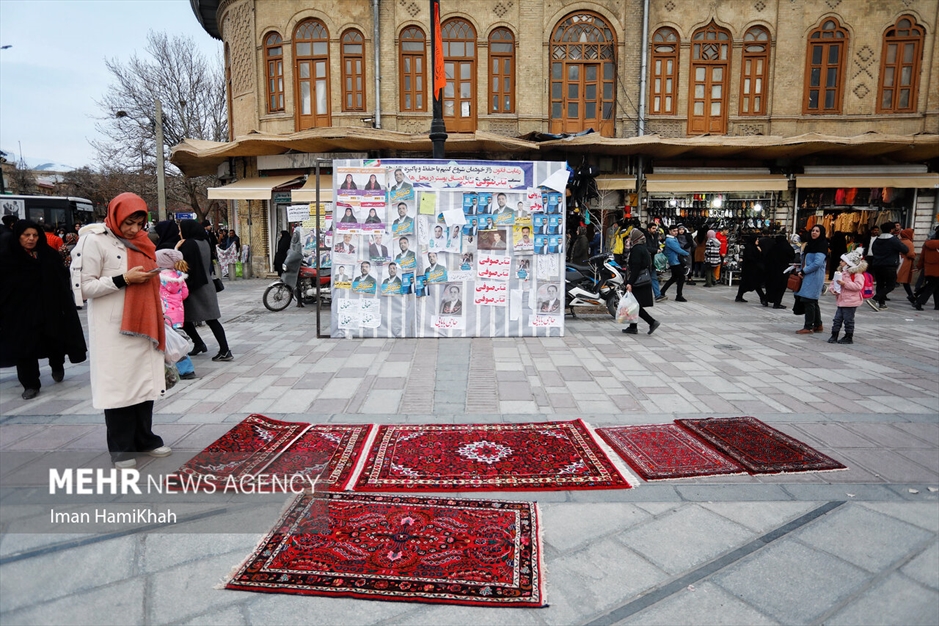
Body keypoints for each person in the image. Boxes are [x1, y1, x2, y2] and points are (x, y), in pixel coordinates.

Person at [72, 193, 169, 467]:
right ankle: (121, 448)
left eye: (140, 222)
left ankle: (145, 439)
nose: (134, 229)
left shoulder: (142, 241)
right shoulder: (93, 240)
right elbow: (84, 288)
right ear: (115, 215)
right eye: (129, 222)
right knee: (118, 388)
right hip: (113, 329)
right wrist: (124, 279)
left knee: (143, 384)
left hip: (144, 322)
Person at [0, 219, 87, 399]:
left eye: (35, 235)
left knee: (52, 339)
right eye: (26, 235)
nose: (31, 239)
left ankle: (57, 365)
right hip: (20, 312)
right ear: (18, 236)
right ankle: (30, 383)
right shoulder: (7, 257)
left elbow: (61, 280)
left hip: (49, 308)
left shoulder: (48, 255)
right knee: (24, 348)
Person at [178, 219, 232, 361]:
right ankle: (202, 344)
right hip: (206, 283)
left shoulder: (189, 244)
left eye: (181, 229)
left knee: (186, 319)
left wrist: (177, 248)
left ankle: (223, 350)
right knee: (207, 319)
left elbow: (181, 263)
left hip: (195, 286)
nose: (180, 232)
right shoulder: (205, 241)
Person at [156, 249, 196, 380]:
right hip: (178, 315)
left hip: (165, 314)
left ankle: (185, 370)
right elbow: (184, 294)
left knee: (170, 344)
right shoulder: (179, 276)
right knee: (177, 341)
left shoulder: (159, 277)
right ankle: (184, 369)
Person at [622, 229, 660, 335]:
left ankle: (652, 322)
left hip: (638, 281)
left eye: (631, 236)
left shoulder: (637, 249)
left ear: (635, 238)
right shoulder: (642, 248)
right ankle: (633, 326)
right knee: (633, 304)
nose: (629, 238)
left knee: (635, 305)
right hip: (642, 280)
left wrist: (630, 282)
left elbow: (636, 267)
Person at [827, 248, 867, 345]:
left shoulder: (857, 274)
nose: (840, 262)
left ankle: (848, 336)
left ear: (849, 263)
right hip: (841, 300)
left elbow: (858, 286)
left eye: (843, 261)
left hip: (851, 301)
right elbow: (833, 283)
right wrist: (833, 289)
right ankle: (834, 334)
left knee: (848, 320)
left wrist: (844, 284)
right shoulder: (840, 273)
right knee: (837, 319)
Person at [866, 221, 907, 311]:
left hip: (877, 264)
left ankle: (882, 303)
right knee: (891, 285)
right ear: (891, 230)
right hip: (889, 265)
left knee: (880, 284)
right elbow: (905, 249)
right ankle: (874, 299)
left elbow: (873, 250)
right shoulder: (893, 240)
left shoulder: (877, 239)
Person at [795, 224, 828, 334]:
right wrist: (800, 269)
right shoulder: (810, 245)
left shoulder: (821, 245)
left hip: (814, 276)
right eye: (813, 230)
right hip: (808, 275)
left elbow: (817, 263)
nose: (814, 233)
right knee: (813, 300)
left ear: (821, 233)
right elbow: (805, 260)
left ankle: (808, 326)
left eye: (817, 231)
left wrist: (804, 271)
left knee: (808, 300)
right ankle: (818, 325)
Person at [659, 224, 690, 302]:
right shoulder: (670, 240)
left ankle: (662, 292)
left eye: (676, 231)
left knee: (674, 278)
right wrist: (686, 253)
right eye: (674, 231)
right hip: (674, 261)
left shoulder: (673, 239)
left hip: (675, 260)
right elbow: (678, 249)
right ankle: (678, 295)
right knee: (681, 277)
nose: (676, 232)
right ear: (670, 231)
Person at [735, 234, 767, 305]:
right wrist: (759, 252)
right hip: (750, 270)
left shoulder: (752, 247)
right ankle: (763, 298)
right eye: (756, 239)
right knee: (756, 284)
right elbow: (753, 258)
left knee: (746, 284)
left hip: (750, 270)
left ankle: (739, 296)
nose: (758, 241)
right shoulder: (750, 248)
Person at [764, 232, 795, 308]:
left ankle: (766, 299)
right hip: (783, 270)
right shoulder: (787, 247)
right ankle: (777, 302)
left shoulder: (773, 247)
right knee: (781, 287)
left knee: (771, 286)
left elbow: (767, 257)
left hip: (771, 270)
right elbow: (792, 256)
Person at [912, 227, 939, 311]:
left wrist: (918, 267)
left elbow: (922, 257)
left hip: (929, 269)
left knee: (935, 287)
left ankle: (937, 305)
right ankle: (919, 302)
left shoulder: (927, 244)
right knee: (931, 288)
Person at [896, 228, 917, 303]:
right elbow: (910, 254)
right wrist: (914, 254)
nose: (914, 235)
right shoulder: (909, 243)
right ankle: (911, 296)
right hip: (905, 263)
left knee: (901, 280)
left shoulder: (899, 241)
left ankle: (911, 295)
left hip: (899, 261)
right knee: (905, 280)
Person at [645, 223, 665, 301]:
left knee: (653, 278)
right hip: (647, 260)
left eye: (655, 228)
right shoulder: (646, 237)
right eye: (653, 228)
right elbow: (646, 247)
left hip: (653, 260)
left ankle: (657, 295)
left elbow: (656, 245)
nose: (655, 230)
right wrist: (656, 250)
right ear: (648, 229)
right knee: (647, 279)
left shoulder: (655, 236)